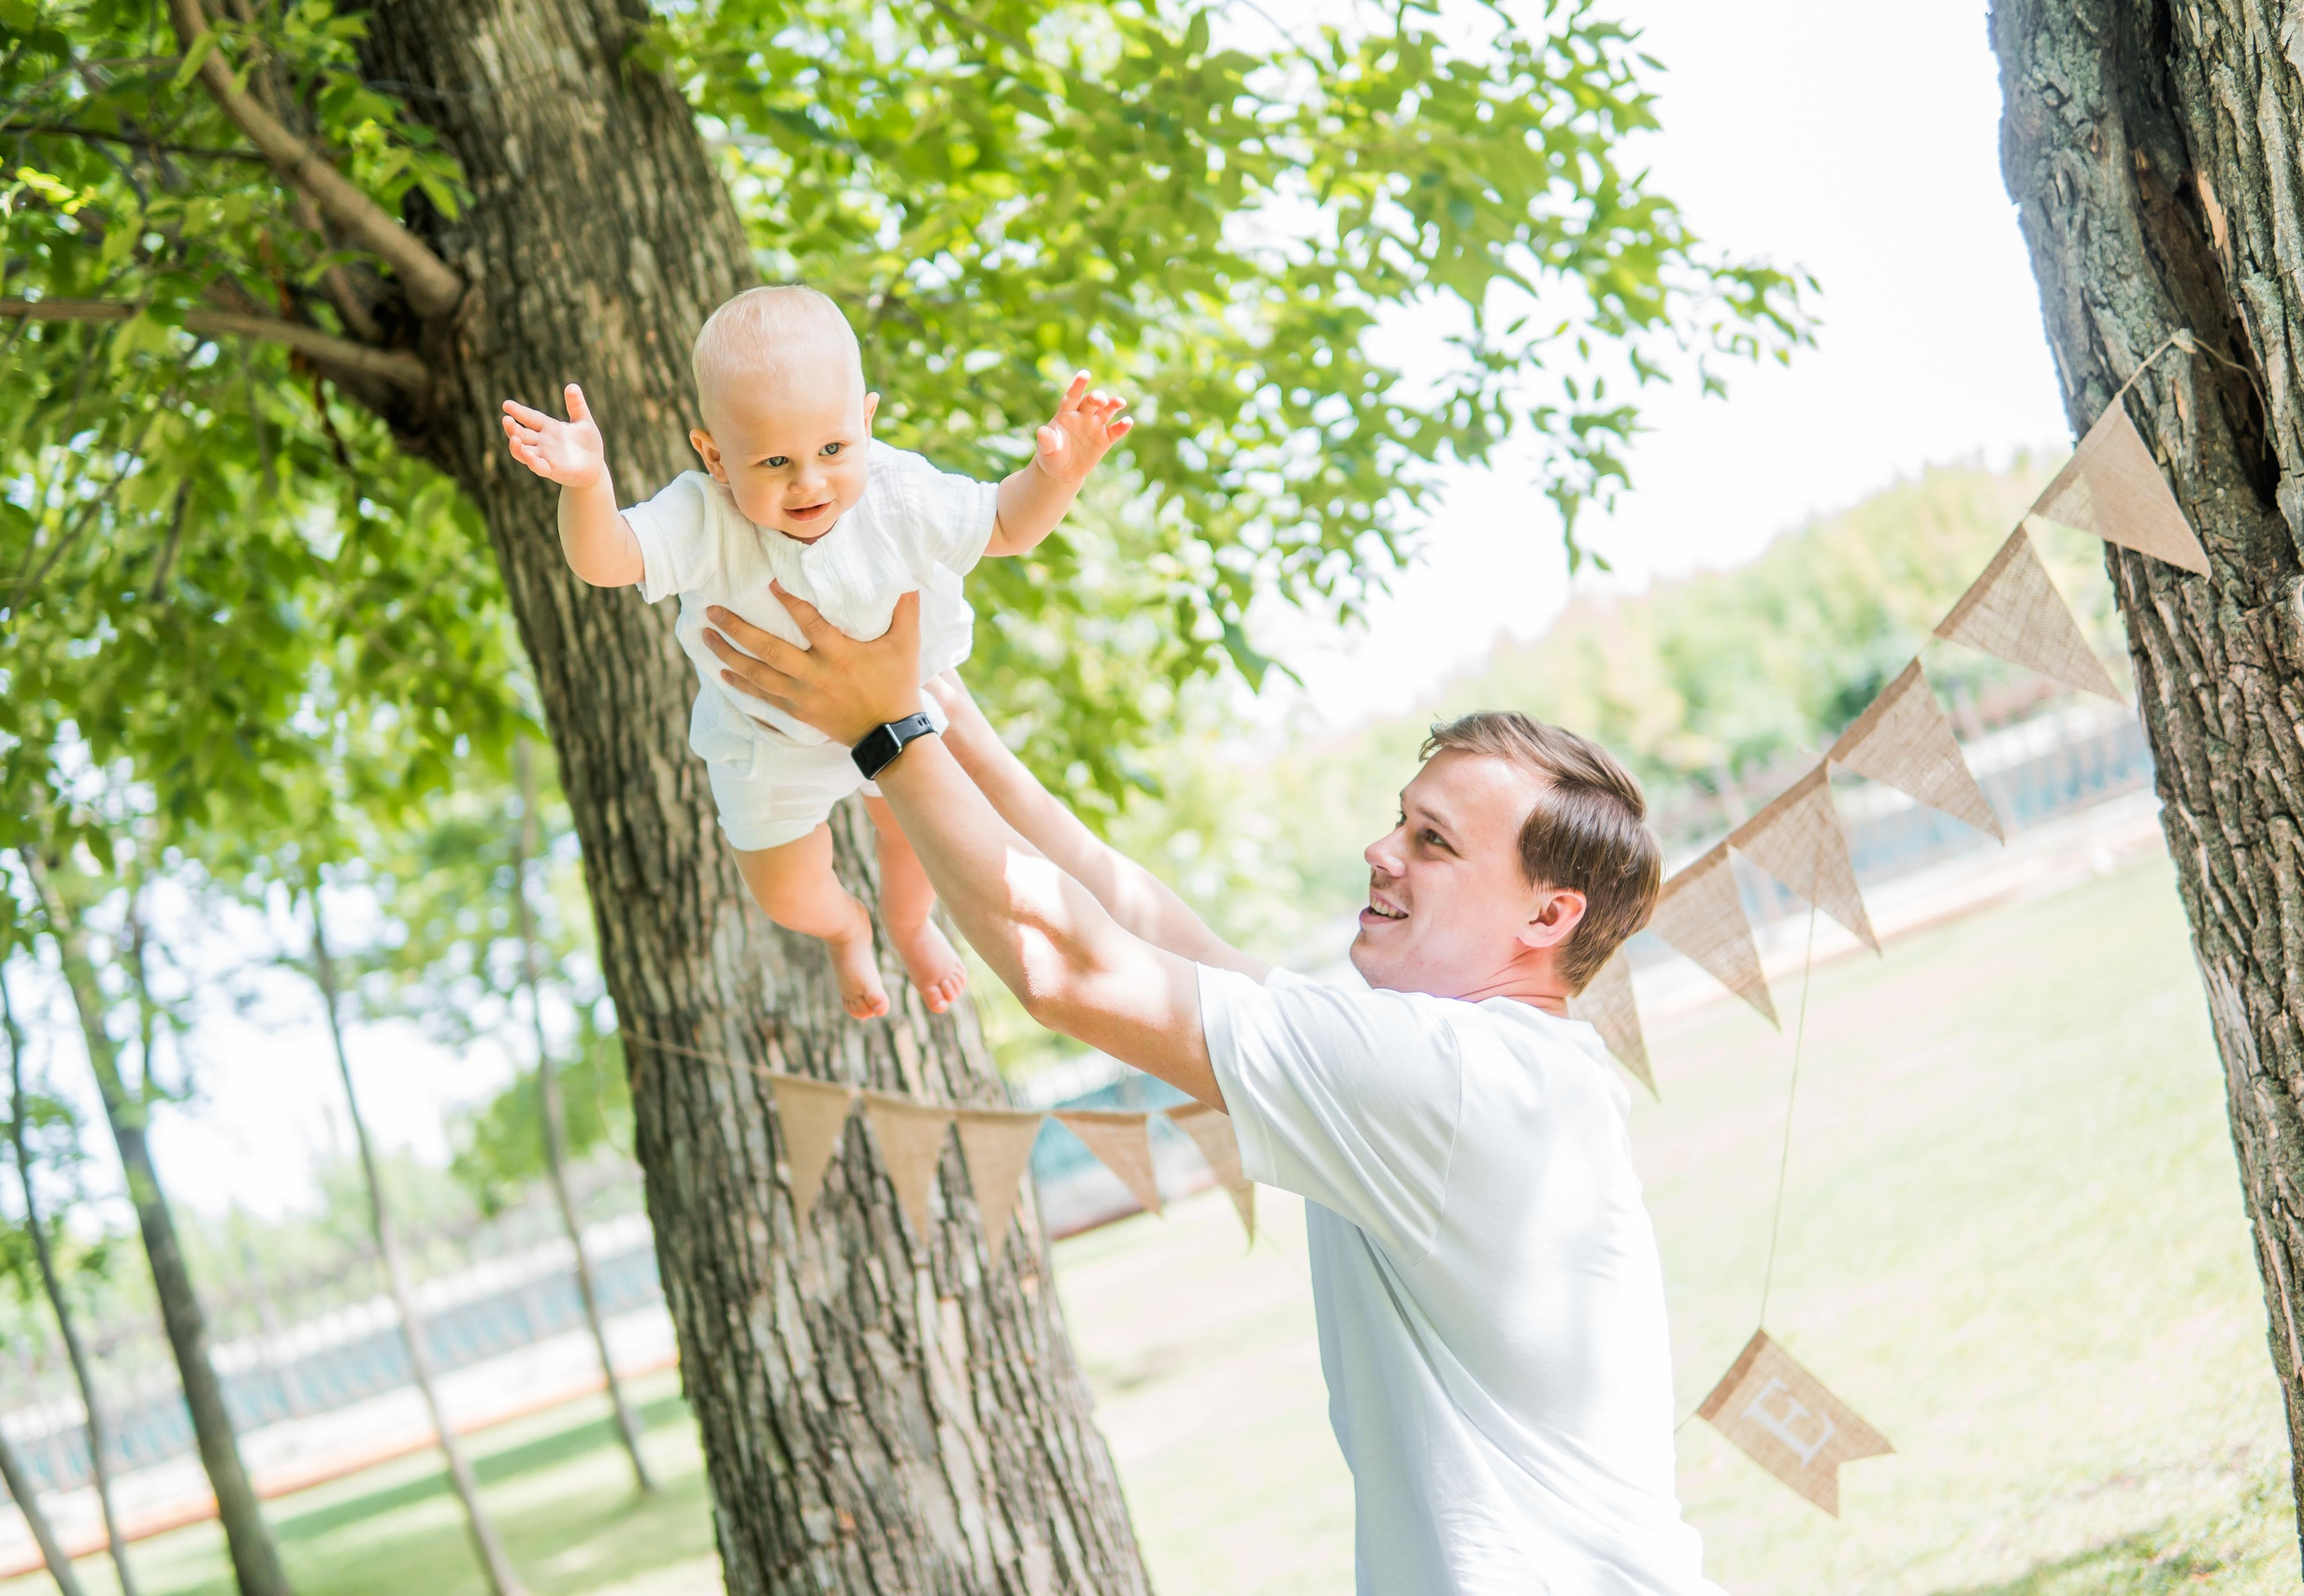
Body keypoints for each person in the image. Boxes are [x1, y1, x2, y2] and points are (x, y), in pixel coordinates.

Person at [700, 586, 1727, 1594]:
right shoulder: (1491, 1065)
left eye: (1433, 841)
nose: (1380, 852)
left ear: (1547, 918)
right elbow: (1155, 931)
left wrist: (886, 736)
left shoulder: (1454, 1080)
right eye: (1399, 821)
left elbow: (1077, 971)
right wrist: (946, 718)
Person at [496, 284, 1132, 1018]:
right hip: (769, 745)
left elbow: (1004, 525)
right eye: (773, 462)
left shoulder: (901, 493)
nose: (809, 482)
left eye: (833, 449)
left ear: (866, 422)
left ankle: (906, 921)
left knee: (915, 837)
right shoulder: (703, 516)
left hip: (900, 715)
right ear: (716, 457)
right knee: (784, 890)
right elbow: (606, 558)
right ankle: (845, 925)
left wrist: (1054, 476)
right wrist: (588, 487)